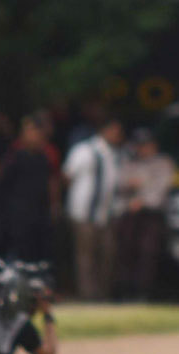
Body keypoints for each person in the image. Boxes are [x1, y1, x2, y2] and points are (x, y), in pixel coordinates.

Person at [63, 117, 124, 300]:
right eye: (115, 131)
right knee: (85, 257)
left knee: (107, 254)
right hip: (83, 213)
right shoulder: (84, 150)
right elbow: (67, 176)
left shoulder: (115, 153)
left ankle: (103, 294)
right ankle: (88, 296)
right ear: (105, 130)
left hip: (106, 213)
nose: (119, 135)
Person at [116, 129, 175, 301]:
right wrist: (133, 189)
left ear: (153, 145)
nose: (142, 149)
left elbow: (161, 188)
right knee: (127, 252)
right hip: (130, 214)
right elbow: (121, 184)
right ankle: (127, 290)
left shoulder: (163, 163)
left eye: (145, 145)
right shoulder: (130, 162)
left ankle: (143, 292)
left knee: (148, 253)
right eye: (139, 145)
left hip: (152, 214)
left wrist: (142, 198)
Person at [0, 116, 55, 264]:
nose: (35, 137)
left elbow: (49, 182)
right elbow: (5, 185)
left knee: (38, 253)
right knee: (21, 253)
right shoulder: (15, 157)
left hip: (39, 213)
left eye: (37, 134)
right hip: (20, 215)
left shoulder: (43, 158)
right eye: (31, 133)